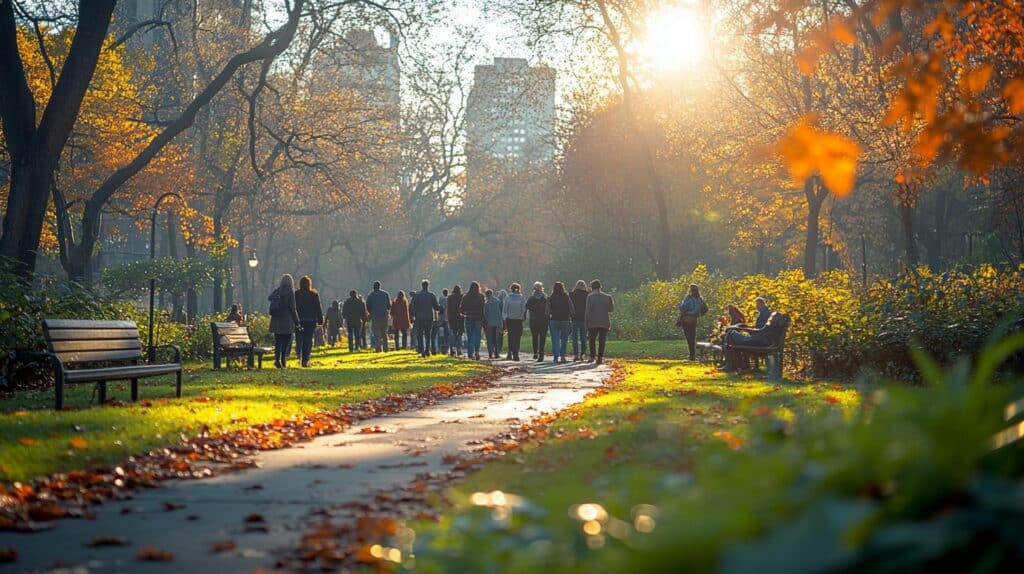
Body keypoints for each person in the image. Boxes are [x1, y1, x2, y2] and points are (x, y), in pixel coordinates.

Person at [723, 311, 787, 372]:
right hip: (763, 341)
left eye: (771, 317)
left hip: (761, 342)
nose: (769, 318)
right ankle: (734, 365)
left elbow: (759, 331)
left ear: (774, 318)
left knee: (732, 333)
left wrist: (744, 329)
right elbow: (759, 331)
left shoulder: (770, 326)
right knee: (732, 337)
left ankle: (731, 365)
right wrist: (746, 329)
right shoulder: (773, 327)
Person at [268, 274, 300, 368]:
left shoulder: (277, 291)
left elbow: (270, 298)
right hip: (287, 321)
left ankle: (277, 360)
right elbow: (293, 308)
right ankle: (283, 360)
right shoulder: (290, 292)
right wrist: (297, 322)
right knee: (286, 343)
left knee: (278, 342)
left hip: (276, 321)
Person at [293, 276, 324, 367]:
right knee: (308, 340)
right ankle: (306, 359)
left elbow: (294, 307)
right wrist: (320, 320)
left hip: (299, 320)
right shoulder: (314, 294)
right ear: (309, 284)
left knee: (299, 340)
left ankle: (300, 355)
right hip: (311, 321)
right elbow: (318, 307)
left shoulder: (296, 294)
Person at [585, 279, 614, 365]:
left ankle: (592, 356)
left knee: (592, 339)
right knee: (602, 340)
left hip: (593, 321)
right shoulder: (608, 297)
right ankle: (600, 357)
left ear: (591, 287)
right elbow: (611, 309)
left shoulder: (590, 297)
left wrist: (586, 323)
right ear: (600, 287)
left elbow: (588, 311)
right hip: (604, 321)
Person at [677, 283, 707, 361]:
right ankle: (692, 355)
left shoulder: (689, 298)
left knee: (689, 337)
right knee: (693, 337)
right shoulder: (700, 299)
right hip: (694, 319)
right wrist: (699, 314)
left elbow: (683, 308)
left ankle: (692, 355)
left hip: (687, 318)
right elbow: (705, 309)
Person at [410, 280, 440, 357]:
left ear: (422, 285)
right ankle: (427, 350)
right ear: (428, 286)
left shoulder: (417, 295)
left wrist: (414, 315)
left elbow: (413, 307)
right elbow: (436, 307)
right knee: (428, 334)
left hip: (420, 317)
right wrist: (441, 309)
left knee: (420, 334)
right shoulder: (431, 295)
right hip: (429, 317)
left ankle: (421, 349)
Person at [548, 281, 575, 363]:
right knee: (564, 339)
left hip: (554, 320)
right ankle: (562, 356)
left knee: (555, 339)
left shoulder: (551, 298)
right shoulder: (566, 297)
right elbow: (571, 308)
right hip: (565, 320)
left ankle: (556, 356)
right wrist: (572, 316)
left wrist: (549, 315)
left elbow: (547, 310)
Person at [460, 282, 485, 360]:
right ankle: (477, 352)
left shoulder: (466, 297)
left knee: (470, 336)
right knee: (477, 336)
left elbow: (462, 308)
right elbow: (483, 308)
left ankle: (470, 353)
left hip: (469, 318)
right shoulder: (481, 297)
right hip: (478, 318)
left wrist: (465, 313)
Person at [525, 282, 549, 362]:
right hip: (543, 320)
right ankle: (541, 354)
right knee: (542, 338)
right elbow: (548, 309)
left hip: (534, 320)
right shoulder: (545, 297)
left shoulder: (531, 298)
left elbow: (526, 307)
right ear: (541, 288)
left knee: (535, 337)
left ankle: (535, 352)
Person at [503, 283, 527, 361]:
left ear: (511, 289)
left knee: (510, 336)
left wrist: (504, 319)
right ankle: (516, 354)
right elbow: (524, 309)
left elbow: (505, 310)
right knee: (517, 337)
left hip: (510, 320)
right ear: (519, 289)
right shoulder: (522, 298)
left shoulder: (507, 298)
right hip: (519, 320)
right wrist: (523, 317)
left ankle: (510, 352)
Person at [366, 281, 392, 352]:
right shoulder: (385, 294)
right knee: (384, 333)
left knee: (377, 334)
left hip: (375, 316)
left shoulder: (370, 295)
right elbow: (389, 306)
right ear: (380, 286)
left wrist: (371, 312)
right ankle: (386, 348)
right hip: (384, 316)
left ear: (373, 287)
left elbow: (368, 306)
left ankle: (378, 348)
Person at [569, 280, 589, 361]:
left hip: (574, 318)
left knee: (574, 338)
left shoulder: (571, 294)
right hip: (584, 318)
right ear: (584, 286)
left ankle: (576, 355)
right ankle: (582, 354)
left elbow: (569, 306)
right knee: (583, 337)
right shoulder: (587, 295)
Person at [483, 289, 504, 359]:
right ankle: (496, 353)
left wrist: (484, 323)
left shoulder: (486, 303)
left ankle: (490, 353)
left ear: (486, 295)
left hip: (489, 323)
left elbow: (485, 314)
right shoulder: (498, 301)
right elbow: (501, 311)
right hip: (497, 322)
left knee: (490, 339)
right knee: (496, 338)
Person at [447, 285, 465, 357]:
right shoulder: (462, 297)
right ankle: (459, 349)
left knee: (453, 333)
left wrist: (448, 317)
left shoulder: (450, 297)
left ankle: (452, 349)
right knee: (459, 334)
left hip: (452, 318)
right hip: (460, 317)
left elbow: (448, 308)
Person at [437, 288, 450, 355]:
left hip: (441, 320)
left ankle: (440, 347)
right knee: (447, 334)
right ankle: (446, 348)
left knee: (441, 334)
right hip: (447, 320)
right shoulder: (449, 299)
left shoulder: (441, 299)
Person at [496, 289, 508, 355]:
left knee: (499, 334)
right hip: (505, 319)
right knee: (502, 334)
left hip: (499, 319)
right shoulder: (507, 301)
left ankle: (499, 347)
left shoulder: (498, 301)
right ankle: (500, 347)